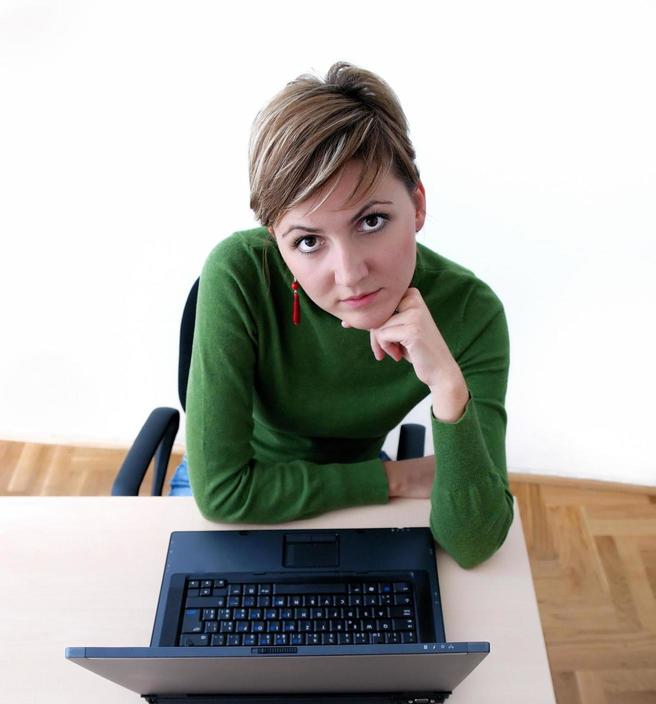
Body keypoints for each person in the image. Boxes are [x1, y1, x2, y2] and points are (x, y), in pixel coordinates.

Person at [174, 62, 514, 569]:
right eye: (308, 241)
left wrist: (448, 386)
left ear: (417, 205)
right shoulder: (240, 272)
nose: (350, 274)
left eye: (371, 221)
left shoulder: (471, 312)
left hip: (355, 499)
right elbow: (224, 494)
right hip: (247, 489)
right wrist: (397, 479)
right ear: (278, 244)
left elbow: (473, 543)